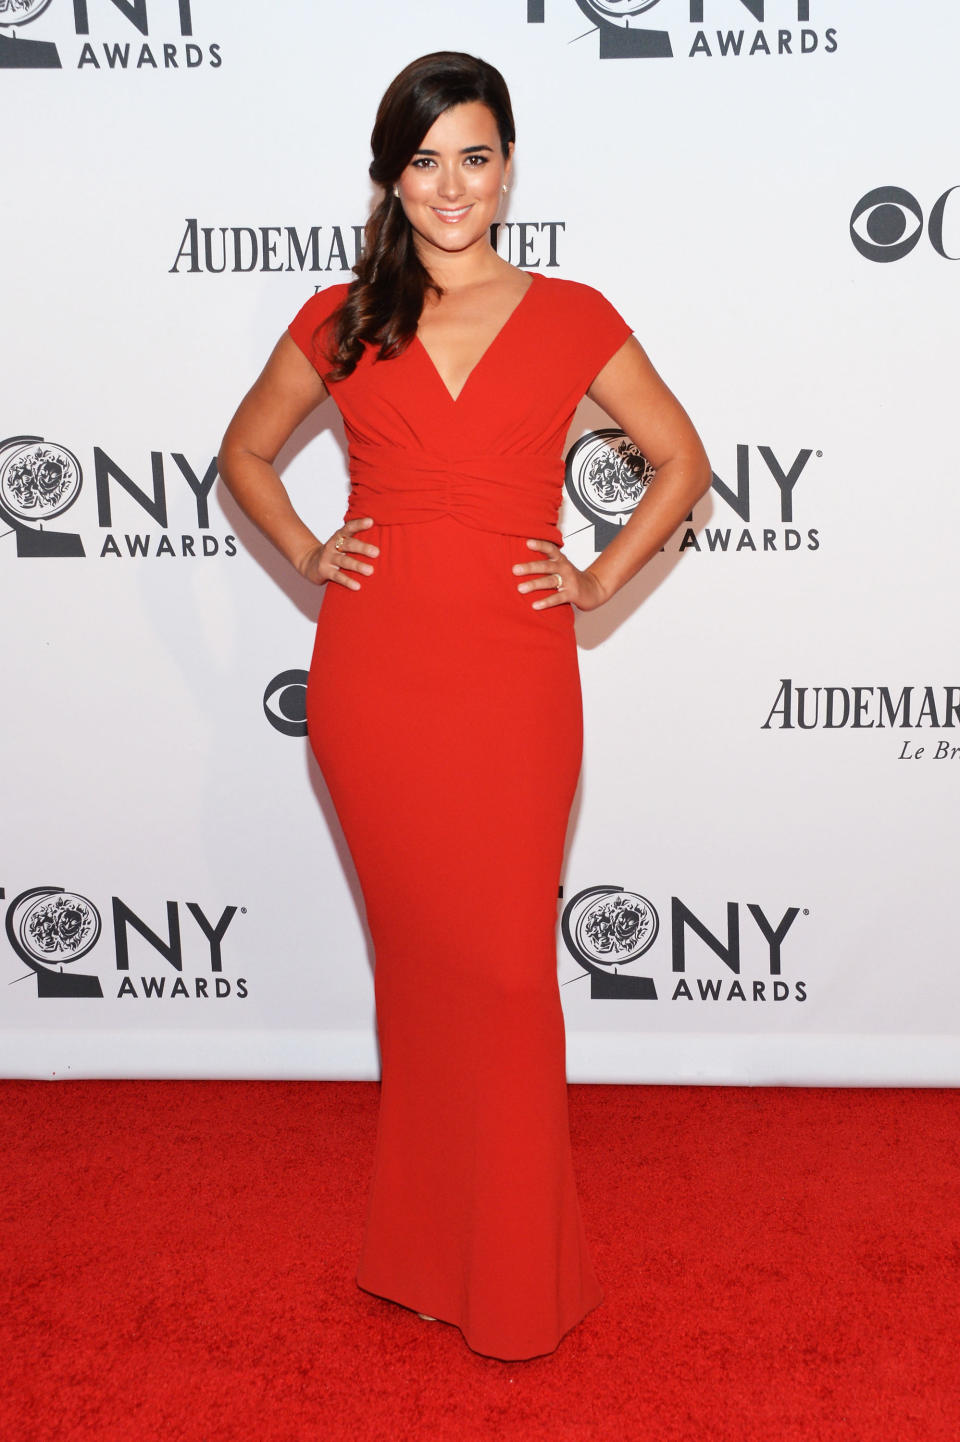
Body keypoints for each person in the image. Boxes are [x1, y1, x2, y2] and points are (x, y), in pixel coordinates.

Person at [217, 50, 711, 1362]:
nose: (451, 185)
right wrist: (313, 549)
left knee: (502, 972)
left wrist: (600, 573)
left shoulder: (572, 313)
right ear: (392, 175)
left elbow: (682, 461)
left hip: (513, 676)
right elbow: (243, 454)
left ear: (509, 167)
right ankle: (429, 1257)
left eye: (476, 155)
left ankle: (508, 1272)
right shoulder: (344, 316)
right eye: (425, 160)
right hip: (376, 682)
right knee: (429, 975)